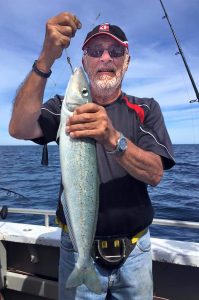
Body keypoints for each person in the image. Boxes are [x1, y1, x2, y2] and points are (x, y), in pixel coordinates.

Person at [9, 12, 175, 300]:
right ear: (85, 61)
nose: (105, 58)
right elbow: (19, 128)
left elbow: (155, 174)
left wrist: (112, 138)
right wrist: (46, 58)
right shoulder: (64, 108)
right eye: (95, 52)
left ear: (127, 60)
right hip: (76, 251)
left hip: (135, 252)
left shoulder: (146, 109)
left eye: (116, 51)